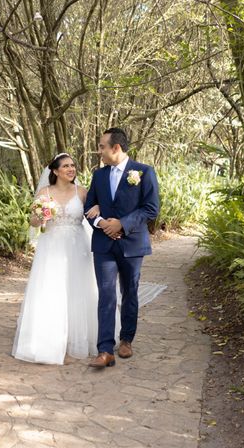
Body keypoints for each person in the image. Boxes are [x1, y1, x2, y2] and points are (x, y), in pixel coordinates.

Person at [12, 153, 108, 364]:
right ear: (55, 171)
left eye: (73, 165)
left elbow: (95, 212)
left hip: (77, 245)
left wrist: (99, 207)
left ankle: (80, 339)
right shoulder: (45, 193)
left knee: (79, 289)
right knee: (53, 290)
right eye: (66, 166)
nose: (71, 169)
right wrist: (42, 215)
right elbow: (34, 223)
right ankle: (51, 341)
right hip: (52, 246)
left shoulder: (82, 192)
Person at [84, 128, 160, 368]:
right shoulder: (98, 175)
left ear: (115, 148)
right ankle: (105, 349)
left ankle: (126, 339)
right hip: (104, 245)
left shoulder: (144, 172)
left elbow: (151, 208)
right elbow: (88, 208)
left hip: (132, 244)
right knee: (106, 294)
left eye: (102, 146)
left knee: (130, 292)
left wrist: (122, 224)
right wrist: (101, 223)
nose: (100, 151)